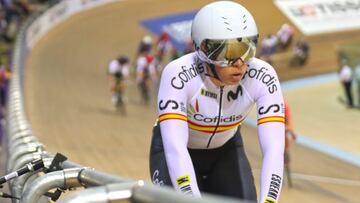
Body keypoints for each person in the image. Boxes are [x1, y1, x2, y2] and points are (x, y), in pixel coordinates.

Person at [149, 1, 285, 203]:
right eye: (228, 53)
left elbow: (274, 148)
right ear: (204, 49)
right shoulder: (178, 74)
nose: (239, 63)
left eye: (247, 49)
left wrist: (270, 201)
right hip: (179, 150)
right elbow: (176, 147)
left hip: (226, 150)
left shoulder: (263, 76)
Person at [284, 100, 297, 188]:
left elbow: (289, 123)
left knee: (286, 160)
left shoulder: (285, 105)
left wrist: (292, 132)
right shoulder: (284, 105)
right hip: (279, 138)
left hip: (283, 140)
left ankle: (287, 180)